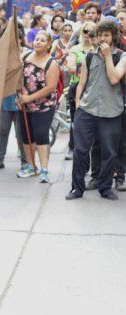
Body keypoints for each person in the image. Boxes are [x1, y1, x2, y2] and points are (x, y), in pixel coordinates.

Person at [67, 21, 126, 200]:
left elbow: (115, 78)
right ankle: (77, 188)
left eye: (106, 35)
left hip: (111, 112)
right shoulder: (89, 57)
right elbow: (82, 83)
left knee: (109, 153)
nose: (102, 39)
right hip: (87, 109)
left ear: (113, 37)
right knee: (80, 151)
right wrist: (78, 106)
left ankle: (105, 187)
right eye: (99, 35)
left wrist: (108, 56)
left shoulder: (122, 57)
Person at [16, 31, 60, 183]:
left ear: (49, 44)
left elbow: (51, 87)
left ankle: (44, 169)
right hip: (24, 104)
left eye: (42, 40)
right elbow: (14, 71)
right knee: (26, 136)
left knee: (41, 134)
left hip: (44, 106)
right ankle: (30, 166)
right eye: (36, 39)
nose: (38, 42)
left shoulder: (51, 63)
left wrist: (29, 98)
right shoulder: (26, 56)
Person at [66, 21, 97, 161]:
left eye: (91, 32)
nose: (88, 35)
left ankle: (91, 150)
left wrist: (80, 67)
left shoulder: (97, 49)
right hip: (76, 88)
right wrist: (85, 68)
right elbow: (70, 68)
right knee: (76, 120)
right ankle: (73, 147)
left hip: (93, 89)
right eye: (85, 31)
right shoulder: (75, 49)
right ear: (81, 32)